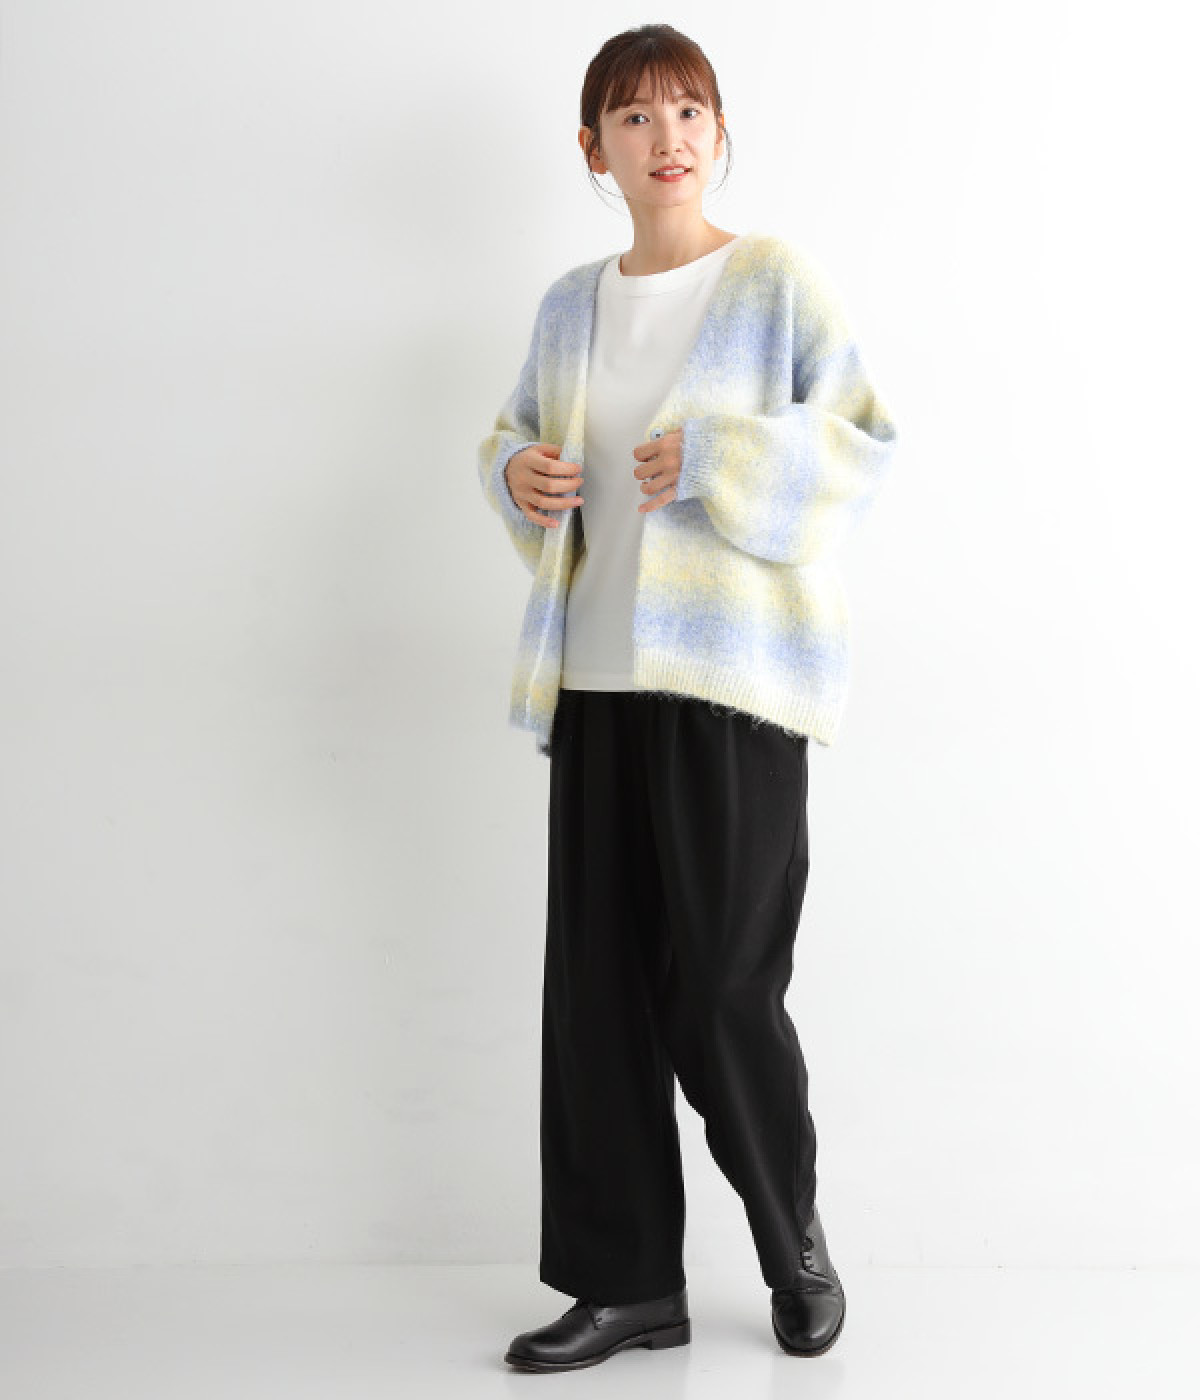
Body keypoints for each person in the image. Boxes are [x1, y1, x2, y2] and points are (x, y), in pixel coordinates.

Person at [476, 23, 899, 1373]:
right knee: (598, 993)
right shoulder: (569, 305)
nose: (667, 138)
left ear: (718, 134)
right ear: (593, 148)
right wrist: (514, 475)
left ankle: (793, 1243)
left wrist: (717, 454)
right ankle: (626, 1287)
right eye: (635, 116)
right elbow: (516, 438)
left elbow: (861, 442)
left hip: (732, 686)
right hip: (596, 681)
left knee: (723, 985)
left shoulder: (773, 281)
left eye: (690, 112)